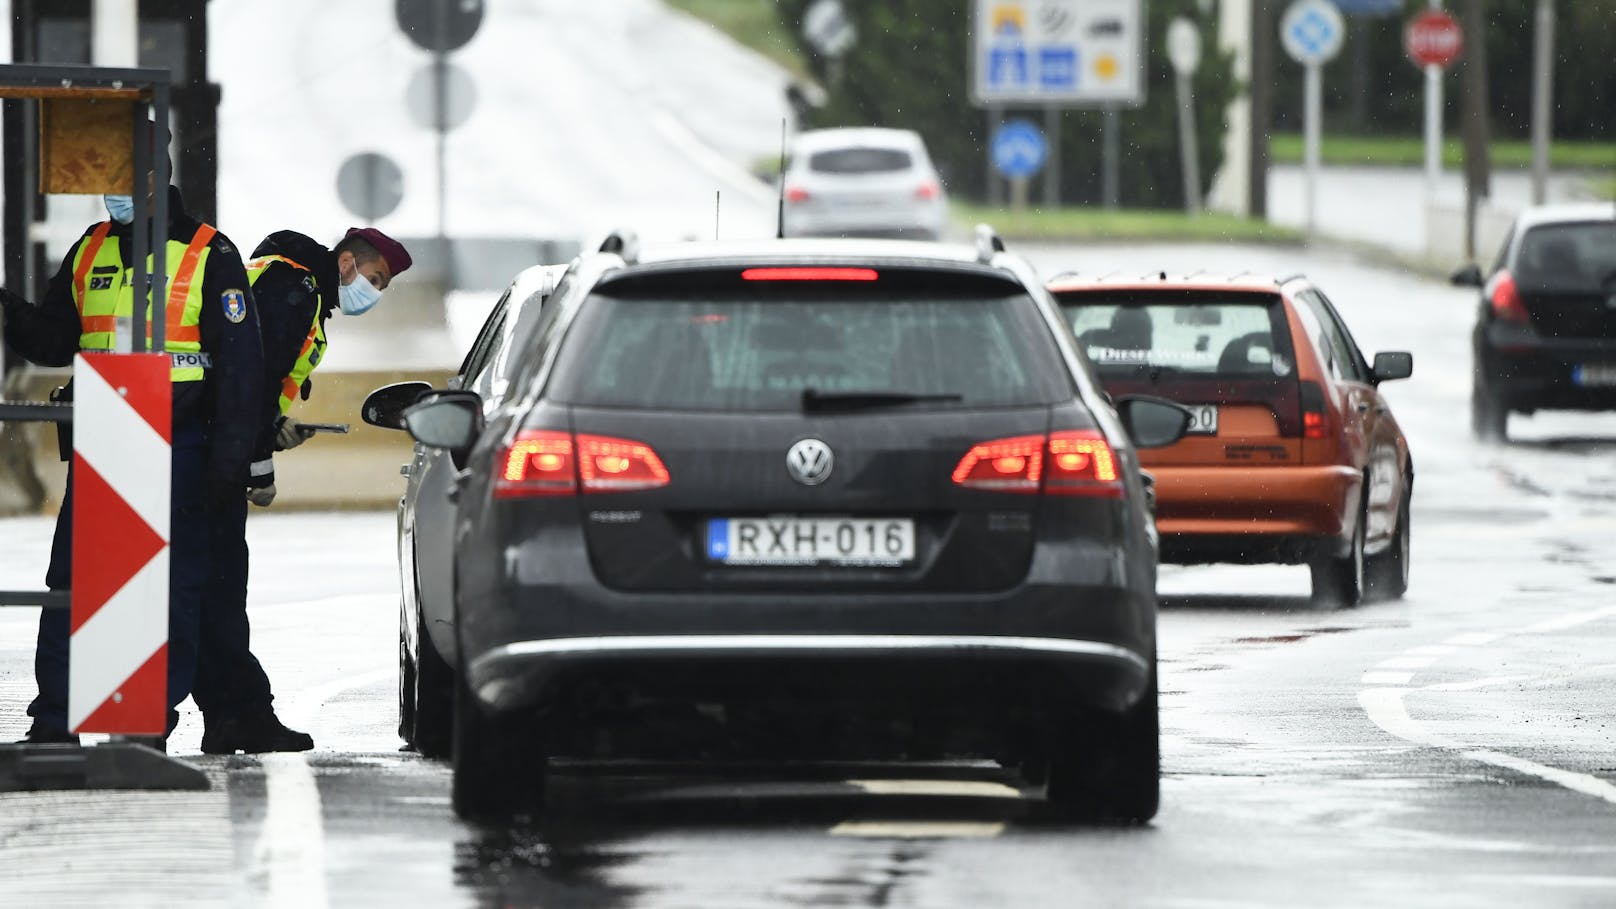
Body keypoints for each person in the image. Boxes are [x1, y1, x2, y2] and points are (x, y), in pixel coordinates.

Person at [2, 156, 263, 745]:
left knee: (170, 590)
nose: (106, 193)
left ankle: (146, 726)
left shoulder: (207, 253)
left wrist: (228, 464)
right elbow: (55, 338)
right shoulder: (90, 247)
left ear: (153, 178)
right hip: (104, 442)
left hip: (182, 446)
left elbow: (240, 371)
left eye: (117, 179)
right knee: (72, 584)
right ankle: (54, 723)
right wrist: (10, 312)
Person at [190, 226, 411, 754]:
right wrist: (258, 464)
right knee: (217, 592)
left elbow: (249, 382)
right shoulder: (296, 290)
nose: (373, 294)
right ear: (349, 264)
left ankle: (229, 716)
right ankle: (240, 715)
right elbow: (251, 380)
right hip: (213, 456)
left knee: (209, 592)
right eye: (375, 279)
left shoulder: (284, 280)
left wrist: (270, 429)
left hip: (209, 446)